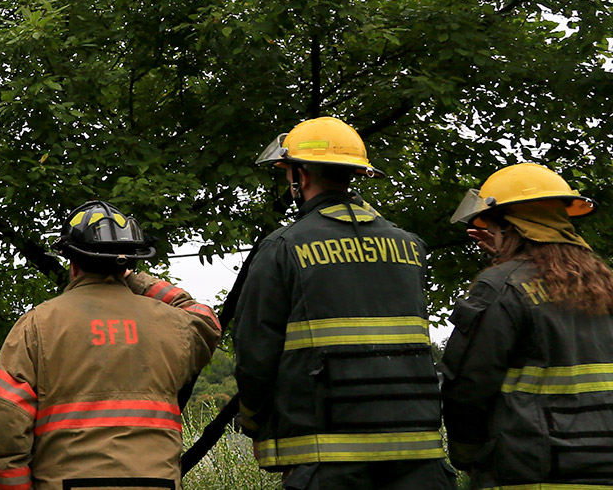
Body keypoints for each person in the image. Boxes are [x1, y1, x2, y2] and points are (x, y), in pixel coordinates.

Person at [233, 117, 452, 489]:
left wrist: (253, 418)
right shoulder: (409, 245)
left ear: (299, 178)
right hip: (418, 455)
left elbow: (256, 351)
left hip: (328, 459)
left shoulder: (283, 247)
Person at [0, 201, 221, 490]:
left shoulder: (36, 326)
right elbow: (206, 321)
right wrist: (137, 280)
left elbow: (5, 433)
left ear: (72, 264)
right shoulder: (174, 325)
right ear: (129, 264)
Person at [442, 163, 613, 489]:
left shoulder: (502, 286)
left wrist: (468, 454)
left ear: (509, 227)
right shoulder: (604, 283)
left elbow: (468, 384)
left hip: (532, 469)